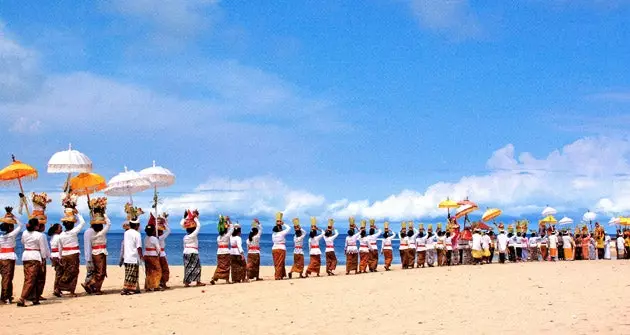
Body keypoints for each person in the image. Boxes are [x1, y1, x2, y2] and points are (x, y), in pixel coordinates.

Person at [17, 218, 48, 307]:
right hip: (35, 256)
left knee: (31, 277)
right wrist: (43, 258)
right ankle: (22, 298)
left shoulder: (24, 233)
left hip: (26, 255)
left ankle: (35, 298)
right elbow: (42, 248)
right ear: (36, 226)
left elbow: (22, 242)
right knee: (32, 279)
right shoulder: (39, 235)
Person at [56, 209, 85, 297]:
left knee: (66, 272)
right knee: (74, 272)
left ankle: (59, 288)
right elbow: (82, 223)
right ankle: (69, 290)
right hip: (73, 254)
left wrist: (60, 257)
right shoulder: (73, 232)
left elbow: (60, 248)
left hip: (65, 255)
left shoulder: (61, 235)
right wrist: (78, 213)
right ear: (72, 224)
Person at [85, 210, 111, 295]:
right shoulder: (100, 233)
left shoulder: (92, 233)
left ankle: (94, 287)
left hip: (95, 253)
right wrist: (104, 214)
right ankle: (91, 285)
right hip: (100, 253)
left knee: (98, 271)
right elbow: (108, 224)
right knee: (101, 272)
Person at [0, 207, 21, 304]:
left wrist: (6, 217)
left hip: (2, 257)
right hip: (8, 258)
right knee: (7, 278)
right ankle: (5, 297)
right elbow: (20, 226)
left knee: (6, 278)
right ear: (10, 228)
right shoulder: (11, 235)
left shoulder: (1, 236)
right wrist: (14, 217)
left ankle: (7, 295)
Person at [121, 205, 144, 295]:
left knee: (131, 274)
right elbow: (139, 247)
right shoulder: (137, 234)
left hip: (127, 257)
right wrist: (141, 256)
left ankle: (135, 289)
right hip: (133, 257)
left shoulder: (126, 233)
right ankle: (126, 289)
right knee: (131, 275)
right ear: (137, 225)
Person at [182, 210, 204, 287]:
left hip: (185, 252)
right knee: (197, 267)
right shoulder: (193, 235)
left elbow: (184, 246)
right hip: (193, 252)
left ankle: (187, 282)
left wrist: (185, 218)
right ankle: (198, 282)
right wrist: (195, 218)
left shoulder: (185, 237)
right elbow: (198, 226)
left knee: (187, 267)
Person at [211, 214, 233, 285]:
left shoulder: (218, 237)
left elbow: (228, 229)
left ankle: (214, 278)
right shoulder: (226, 236)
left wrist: (223, 222)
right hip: (225, 252)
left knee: (220, 266)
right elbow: (232, 229)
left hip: (219, 252)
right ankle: (227, 280)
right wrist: (229, 221)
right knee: (226, 266)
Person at [143, 222, 162, 291]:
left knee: (148, 271)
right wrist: (159, 254)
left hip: (146, 255)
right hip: (153, 255)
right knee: (158, 270)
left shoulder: (145, 238)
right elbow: (158, 248)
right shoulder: (154, 239)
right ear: (153, 231)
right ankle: (156, 286)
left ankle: (148, 286)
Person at [271, 212, 290, 280]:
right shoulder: (281, 233)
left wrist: (278, 223)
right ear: (279, 229)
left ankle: (280, 275)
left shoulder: (273, 234)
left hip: (274, 248)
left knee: (276, 263)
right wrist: (283, 223)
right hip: (281, 248)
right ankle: (278, 276)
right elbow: (289, 228)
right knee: (280, 262)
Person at [47, 223, 62, 296]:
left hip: (53, 255)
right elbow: (60, 248)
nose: (62, 230)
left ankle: (57, 288)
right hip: (57, 255)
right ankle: (57, 289)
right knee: (59, 273)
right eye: (60, 228)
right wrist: (61, 257)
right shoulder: (58, 237)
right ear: (56, 230)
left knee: (58, 273)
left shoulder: (52, 237)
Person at [157, 214, 171, 289]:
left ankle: (161, 283)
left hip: (158, 254)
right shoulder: (160, 237)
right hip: (161, 254)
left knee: (160, 269)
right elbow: (169, 231)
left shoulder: (155, 237)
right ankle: (162, 283)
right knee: (165, 269)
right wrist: (165, 222)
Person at [82, 221, 95, 294]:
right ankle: (87, 284)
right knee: (92, 272)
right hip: (91, 255)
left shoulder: (86, 231)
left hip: (87, 255)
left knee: (90, 272)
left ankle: (89, 286)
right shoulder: (92, 232)